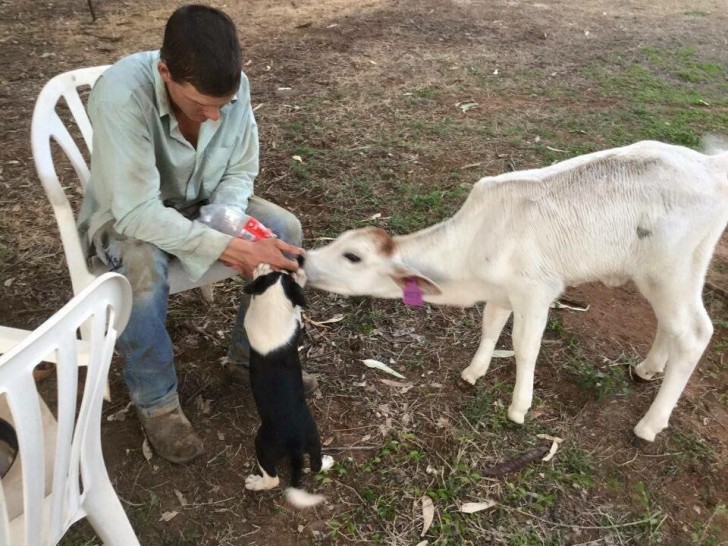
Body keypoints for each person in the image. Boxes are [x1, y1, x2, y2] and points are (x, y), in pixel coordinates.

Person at [77, 4, 317, 464]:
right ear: (165, 71)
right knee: (141, 269)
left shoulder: (234, 89)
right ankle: (156, 399)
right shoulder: (120, 95)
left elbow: (241, 167)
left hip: (202, 204)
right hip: (130, 218)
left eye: (221, 107)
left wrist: (226, 219)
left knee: (285, 228)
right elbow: (136, 213)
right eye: (200, 106)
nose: (212, 117)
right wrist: (230, 246)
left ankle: (252, 358)